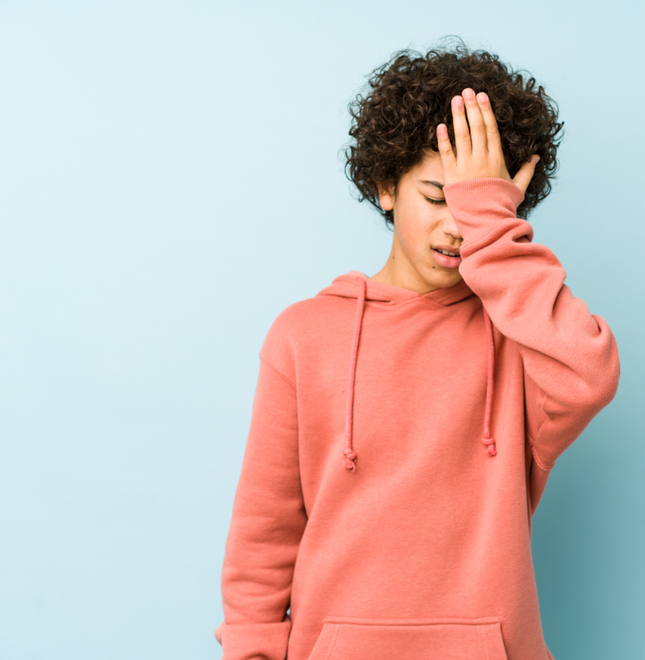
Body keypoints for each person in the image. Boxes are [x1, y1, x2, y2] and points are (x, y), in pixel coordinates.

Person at [214, 37, 620, 660]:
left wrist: (492, 224)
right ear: (386, 185)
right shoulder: (304, 336)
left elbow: (588, 375)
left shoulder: (522, 338)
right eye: (437, 198)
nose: (457, 226)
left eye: (476, 208)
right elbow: (262, 538)